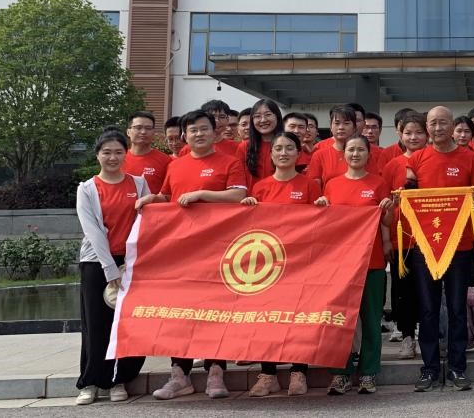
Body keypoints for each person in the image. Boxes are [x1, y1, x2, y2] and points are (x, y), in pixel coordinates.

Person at [138, 110, 249, 400]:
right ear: (185, 136)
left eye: (203, 129)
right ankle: (179, 374)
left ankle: (216, 373)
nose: (198, 134)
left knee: (216, 311)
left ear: (215, 132)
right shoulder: (176, 165)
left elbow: (238, 195)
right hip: (181, 251)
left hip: (217, 249)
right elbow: (168, 197)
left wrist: (202, 194)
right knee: (180, 312)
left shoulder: (229, 162)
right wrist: (152, 199)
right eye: (192, 130)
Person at [402, 106, 474, 392]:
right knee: (428, 309)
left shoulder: (469, 157)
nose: (437, 128)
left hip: (459, 244)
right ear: (427, 127)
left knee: (458, 307)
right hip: (426, 245)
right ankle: (430, 368)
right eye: (432, 123)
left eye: (443, 122)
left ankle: (458, 367)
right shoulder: (416, 159)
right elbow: (409, 195)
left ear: (452, 125)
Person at [242, 132, 322, 397]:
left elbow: (320, 225)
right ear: (271, 154)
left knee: (298, 318)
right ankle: (268, 374)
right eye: (278, 148)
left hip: (300, 264)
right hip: (269, 265)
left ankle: (299, 371)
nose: (284, 153)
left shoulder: (309, 186)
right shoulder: (260, 188)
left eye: (289, 148)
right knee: (266, 319)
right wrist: (248, 206)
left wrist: (322, 207)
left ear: (299, 154)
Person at [74, 127, 147, 405]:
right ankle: (90, 382)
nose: (112, 157)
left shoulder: (138, 184)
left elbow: (147, 221)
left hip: (131, 262)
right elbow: (93, 231)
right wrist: (109, 268)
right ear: (97, 155)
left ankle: (119, 380)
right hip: (97, 262)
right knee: (96, 324)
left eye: (118, 152)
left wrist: (131, 262)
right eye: (107, 152)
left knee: (128, 323)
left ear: (126, 154)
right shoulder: (87, 189)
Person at [320, 135, 394, 396]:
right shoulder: (332, 185)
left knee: (371, 319)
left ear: (368, 155)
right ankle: (340, 374)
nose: (355, 154)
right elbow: (326, 223)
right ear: (344, 155)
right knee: (340, 320)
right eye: (351, 150)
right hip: (340, 265)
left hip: (372, 261)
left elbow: (386, 222)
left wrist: (388, 209)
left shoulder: (378, 183)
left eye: (360, 150)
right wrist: (321, 207)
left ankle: (368, 372)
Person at [383, 112, 429, 358]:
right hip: (402, 238)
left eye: (419, 132)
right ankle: (407, 337)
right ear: (399, 135)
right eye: (408, 133)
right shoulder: (392, 165)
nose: (413, 137)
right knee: (404, 291)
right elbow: (385, 206)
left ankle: (429, 336)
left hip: (432, 237)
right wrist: (386, 239)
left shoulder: (434, 159)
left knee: (429, 290)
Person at [122, 111, 171, 190]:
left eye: (148, 128)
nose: (143, 132)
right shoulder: (119, 158)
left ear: (153, 132)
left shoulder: (166, 161)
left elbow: (169, 193)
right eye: (138, 128)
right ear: (128, 132)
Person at [237, 99, 281, 182]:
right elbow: (238, 178)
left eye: (268, 114)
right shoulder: (245, 147)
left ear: (277, 117)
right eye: (257, 116)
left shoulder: (287, 146)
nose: (263, 120)